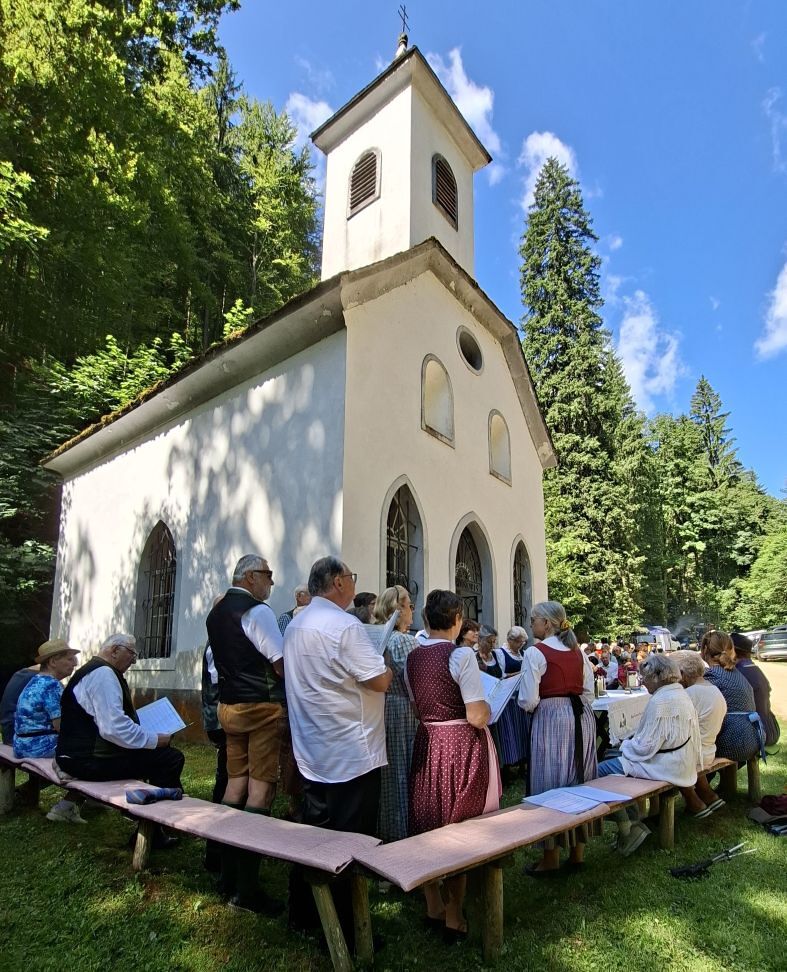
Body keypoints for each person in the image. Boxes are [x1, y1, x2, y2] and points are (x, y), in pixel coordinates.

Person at [285, 557, 392, 950]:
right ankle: (347, 930)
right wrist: (386, 668)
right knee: (351, 842)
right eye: (351, 577)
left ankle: (303, 913)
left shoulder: (296, 624)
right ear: (337, 582)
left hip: (313, 746)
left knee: (313, 833)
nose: (353, 583)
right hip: (351, 750)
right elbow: (378, 680)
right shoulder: (345, 625)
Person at [407, 589, 500, 942]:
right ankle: (453, 913)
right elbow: (476, 715)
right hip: (460, 743)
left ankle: (432, 903)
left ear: (425, 619)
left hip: (428, 741)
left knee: (428, 818)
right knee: (460, 822)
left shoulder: (412, 657)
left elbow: (417, 706)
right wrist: (489, 706)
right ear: (458, 620)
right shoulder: (461, 656)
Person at [205, 554, 285, 914]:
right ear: (251, 576)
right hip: (260, 708)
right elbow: (280, 664)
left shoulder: (216, 613)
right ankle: (247, 890)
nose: (271, 582)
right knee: (260, 789)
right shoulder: (257, 611)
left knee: (234, 784)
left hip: (229, 707)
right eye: (268, 575)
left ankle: (226, 875)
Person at [55, 633, 184, 849]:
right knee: (170, 758)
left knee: (157, 756)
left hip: (74, 755)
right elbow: (113, 729)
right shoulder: (104, 674)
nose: (133, 661)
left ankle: (163, 818)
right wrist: (154, 739)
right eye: (132, 654)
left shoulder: (93, 670)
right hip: (86, 761)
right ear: (115, 650)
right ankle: (155, 828)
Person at [517, 601, 596, 875]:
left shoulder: (535, 653)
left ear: (547, 624)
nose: (531, 624)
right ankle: (577, 852)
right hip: (581, 714)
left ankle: (550, 856)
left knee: (549, 778)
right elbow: (588, 692)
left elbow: (528, 699)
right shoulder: (578, 652)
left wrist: (540, 709)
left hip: (552, 716)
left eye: (533, 620)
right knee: (579, 776)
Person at [597, 653, 702, 854]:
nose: (643, 682)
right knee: (611, 757)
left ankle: (629, 827)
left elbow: (645, 747)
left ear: (658, 676)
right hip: (678, 760)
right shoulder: (678, 693)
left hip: (666, 765)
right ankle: (633, 821)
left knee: (598, 772)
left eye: (645, 677)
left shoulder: (661, 700)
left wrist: (625, 746)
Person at [13, 639, 85, 824]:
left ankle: (84, 802)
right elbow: (62, 726)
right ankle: (66, 807)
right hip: (38, 746)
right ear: (53, 661)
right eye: (70, 659)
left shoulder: (36, 680)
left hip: (22, 744)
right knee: (95, 754)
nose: (75, 663)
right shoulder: (52, 685)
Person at [373, 585, 418, 842]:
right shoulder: (402, 640)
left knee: (390, 772)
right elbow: (414, 680)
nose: (412, 610)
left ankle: (390, 828)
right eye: (409, 605)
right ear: (398, 608)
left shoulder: (380, 637)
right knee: (404, 768)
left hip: (385, 705)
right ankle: (405, 830)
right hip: (404, 708)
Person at [673, 650, 727, 815]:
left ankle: (694, 802)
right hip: (709, 750)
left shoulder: (690, 694)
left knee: (664, 757)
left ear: (683, 673)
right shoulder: (714, 689)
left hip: (695, 755)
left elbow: (676, 728)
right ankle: (708, 794)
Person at [700, 631, 762, 764]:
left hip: (735, 742)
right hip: (753, 738)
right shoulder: (736, 672)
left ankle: (704, 779)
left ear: (704, 649)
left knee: (687, 747)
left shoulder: (711, 675)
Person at [731, 632, 780, 747]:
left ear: (733, 652)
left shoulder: (741, 673)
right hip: (768, 728)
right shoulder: (754, 669)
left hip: (757, 731)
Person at [494, 626, 529, 776]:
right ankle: (508, 766)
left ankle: (523, 764)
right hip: (508, 699)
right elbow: (501, 676)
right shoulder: (500, 654)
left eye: (523, 642)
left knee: (522, 731)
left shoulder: (523, 654)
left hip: (521, 697)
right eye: (519, 642)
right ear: (510, 640)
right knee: (509, 732)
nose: (521, 645)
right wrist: (520, 674)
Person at [1, 662, 39, 744]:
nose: (74, 664)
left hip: (10, 731)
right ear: (52, 662)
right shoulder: (38, 678)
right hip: (18, 735)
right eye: (67, 659)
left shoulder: (24, 674)